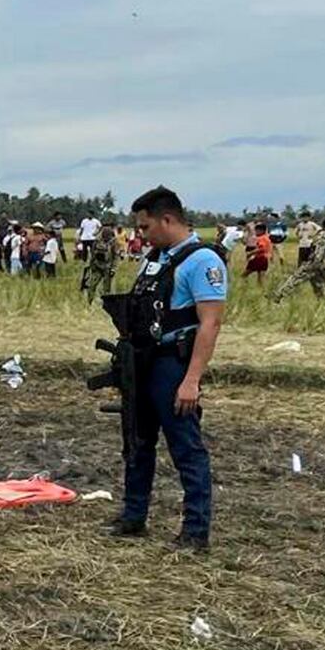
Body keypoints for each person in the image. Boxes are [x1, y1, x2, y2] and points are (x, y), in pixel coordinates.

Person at [106, 186, 225, 551]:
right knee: (138, 442)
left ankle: (195, 531)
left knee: (186, 449)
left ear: (167, 219)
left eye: (145, 227)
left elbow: (210, 324)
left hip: (174, 365)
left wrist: (191, 380)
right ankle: (133, 516)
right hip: (143, 363)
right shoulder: (154, 258)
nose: (141, 235)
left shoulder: (203, 261)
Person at [272, 219, 325, 301]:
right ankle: (324, 300)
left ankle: (279, 295)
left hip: (315, 263)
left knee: (296, 278)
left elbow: (319, 249)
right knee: (319, 283)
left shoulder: (323, 235)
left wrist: (313, 261)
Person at [82, 222, 119, 299]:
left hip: (108, 268)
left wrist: (113, 269)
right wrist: (91, 265)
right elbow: (92, 253)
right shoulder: (97, 241)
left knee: (106, 288)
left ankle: (105, 304)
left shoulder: (113, 242)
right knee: (92, 285)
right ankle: (89, 301)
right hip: (97, 266)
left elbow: (115, 256)